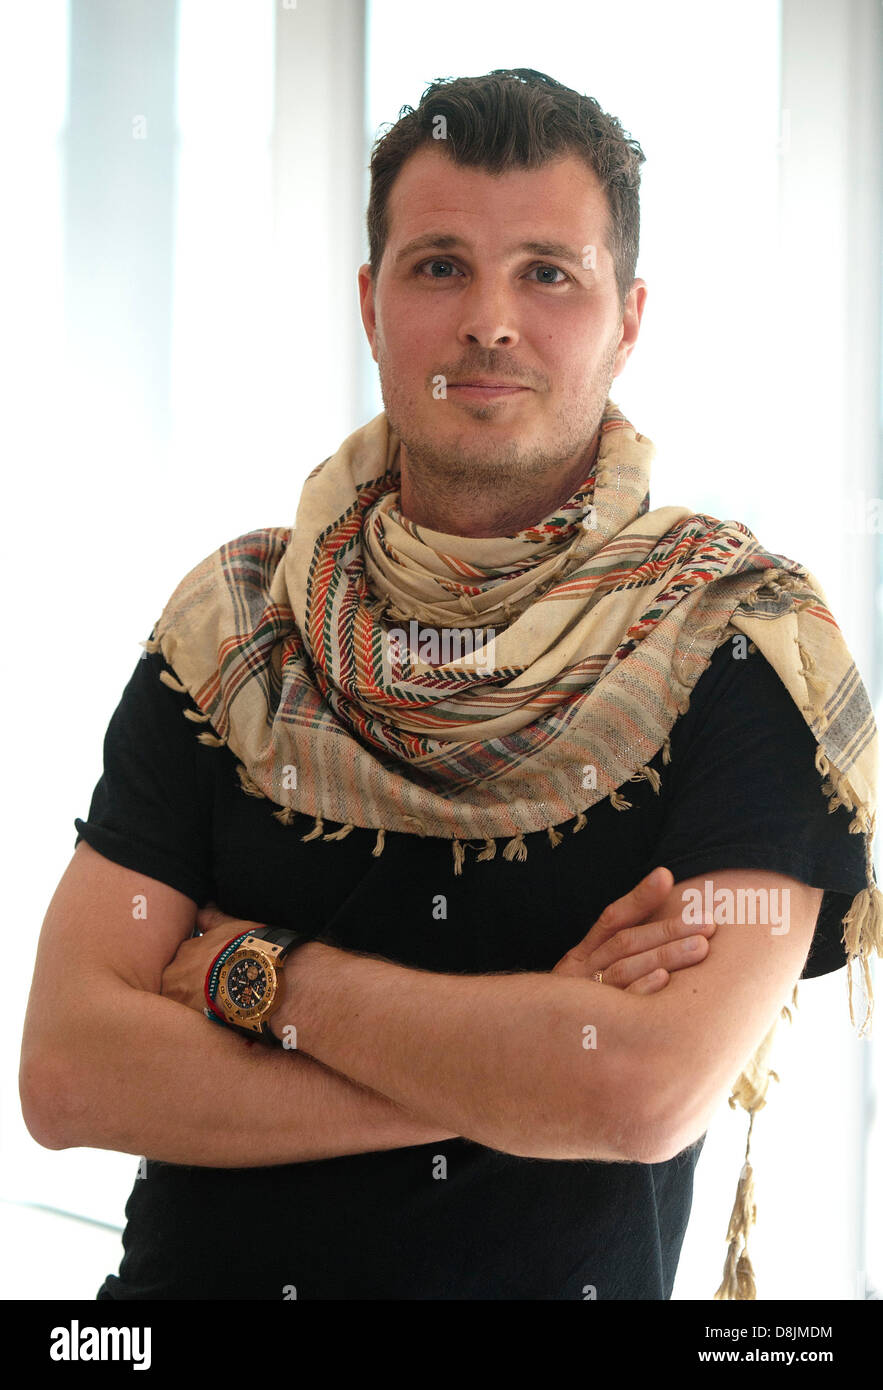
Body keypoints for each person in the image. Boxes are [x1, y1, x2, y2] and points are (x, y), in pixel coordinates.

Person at [20, 68, 880, 1302]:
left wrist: (256, 975)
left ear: (627, 319)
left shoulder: (735, 644)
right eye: (438, 267)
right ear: (370, 306)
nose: (489, 319)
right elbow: (68, 1071)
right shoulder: (235, 629)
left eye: (547, 272)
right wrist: (522, 1062)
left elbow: (635, 1092)